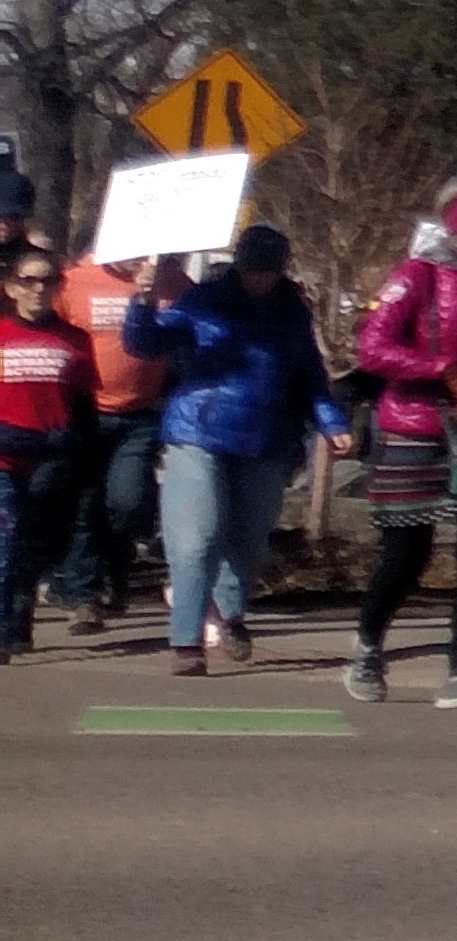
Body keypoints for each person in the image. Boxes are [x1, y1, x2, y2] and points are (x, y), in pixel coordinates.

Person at [125, 229, 349, 674]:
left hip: (265, 437)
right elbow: (145, 343)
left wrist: (332, 422)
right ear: (239, 264)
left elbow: (309, 376)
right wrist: (142, 301)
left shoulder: (293, 312)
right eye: (251, 269)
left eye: (268, 270)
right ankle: (186, 641)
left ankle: (229, 615)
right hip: (197, 430)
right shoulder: (203, 301)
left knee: (247, 539)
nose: (259, 279)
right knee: (197, 537)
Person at [345, 172, 457, 709]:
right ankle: (367, 645)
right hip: (416, 425)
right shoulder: (419, 275)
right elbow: (373, 349)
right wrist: (439, 366)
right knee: (407, 553)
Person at [50, 247, 168, 640]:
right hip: (85, 410)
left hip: (140, 414)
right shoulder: (74, 281)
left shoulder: (173, 284)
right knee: (84, 505)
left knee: (129, 502)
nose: (141, 258)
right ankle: (84, 596)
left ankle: (117, 564)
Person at [0, 244, 96, 665]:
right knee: (4, 542)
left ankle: (20, 622)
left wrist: (75, 445)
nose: (38, 288)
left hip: (50, 459)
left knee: (29, 547)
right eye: (28, 280)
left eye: (47, 280)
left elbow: (81, 402)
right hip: (3, 458)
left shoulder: (74, 341)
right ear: (10, 287)